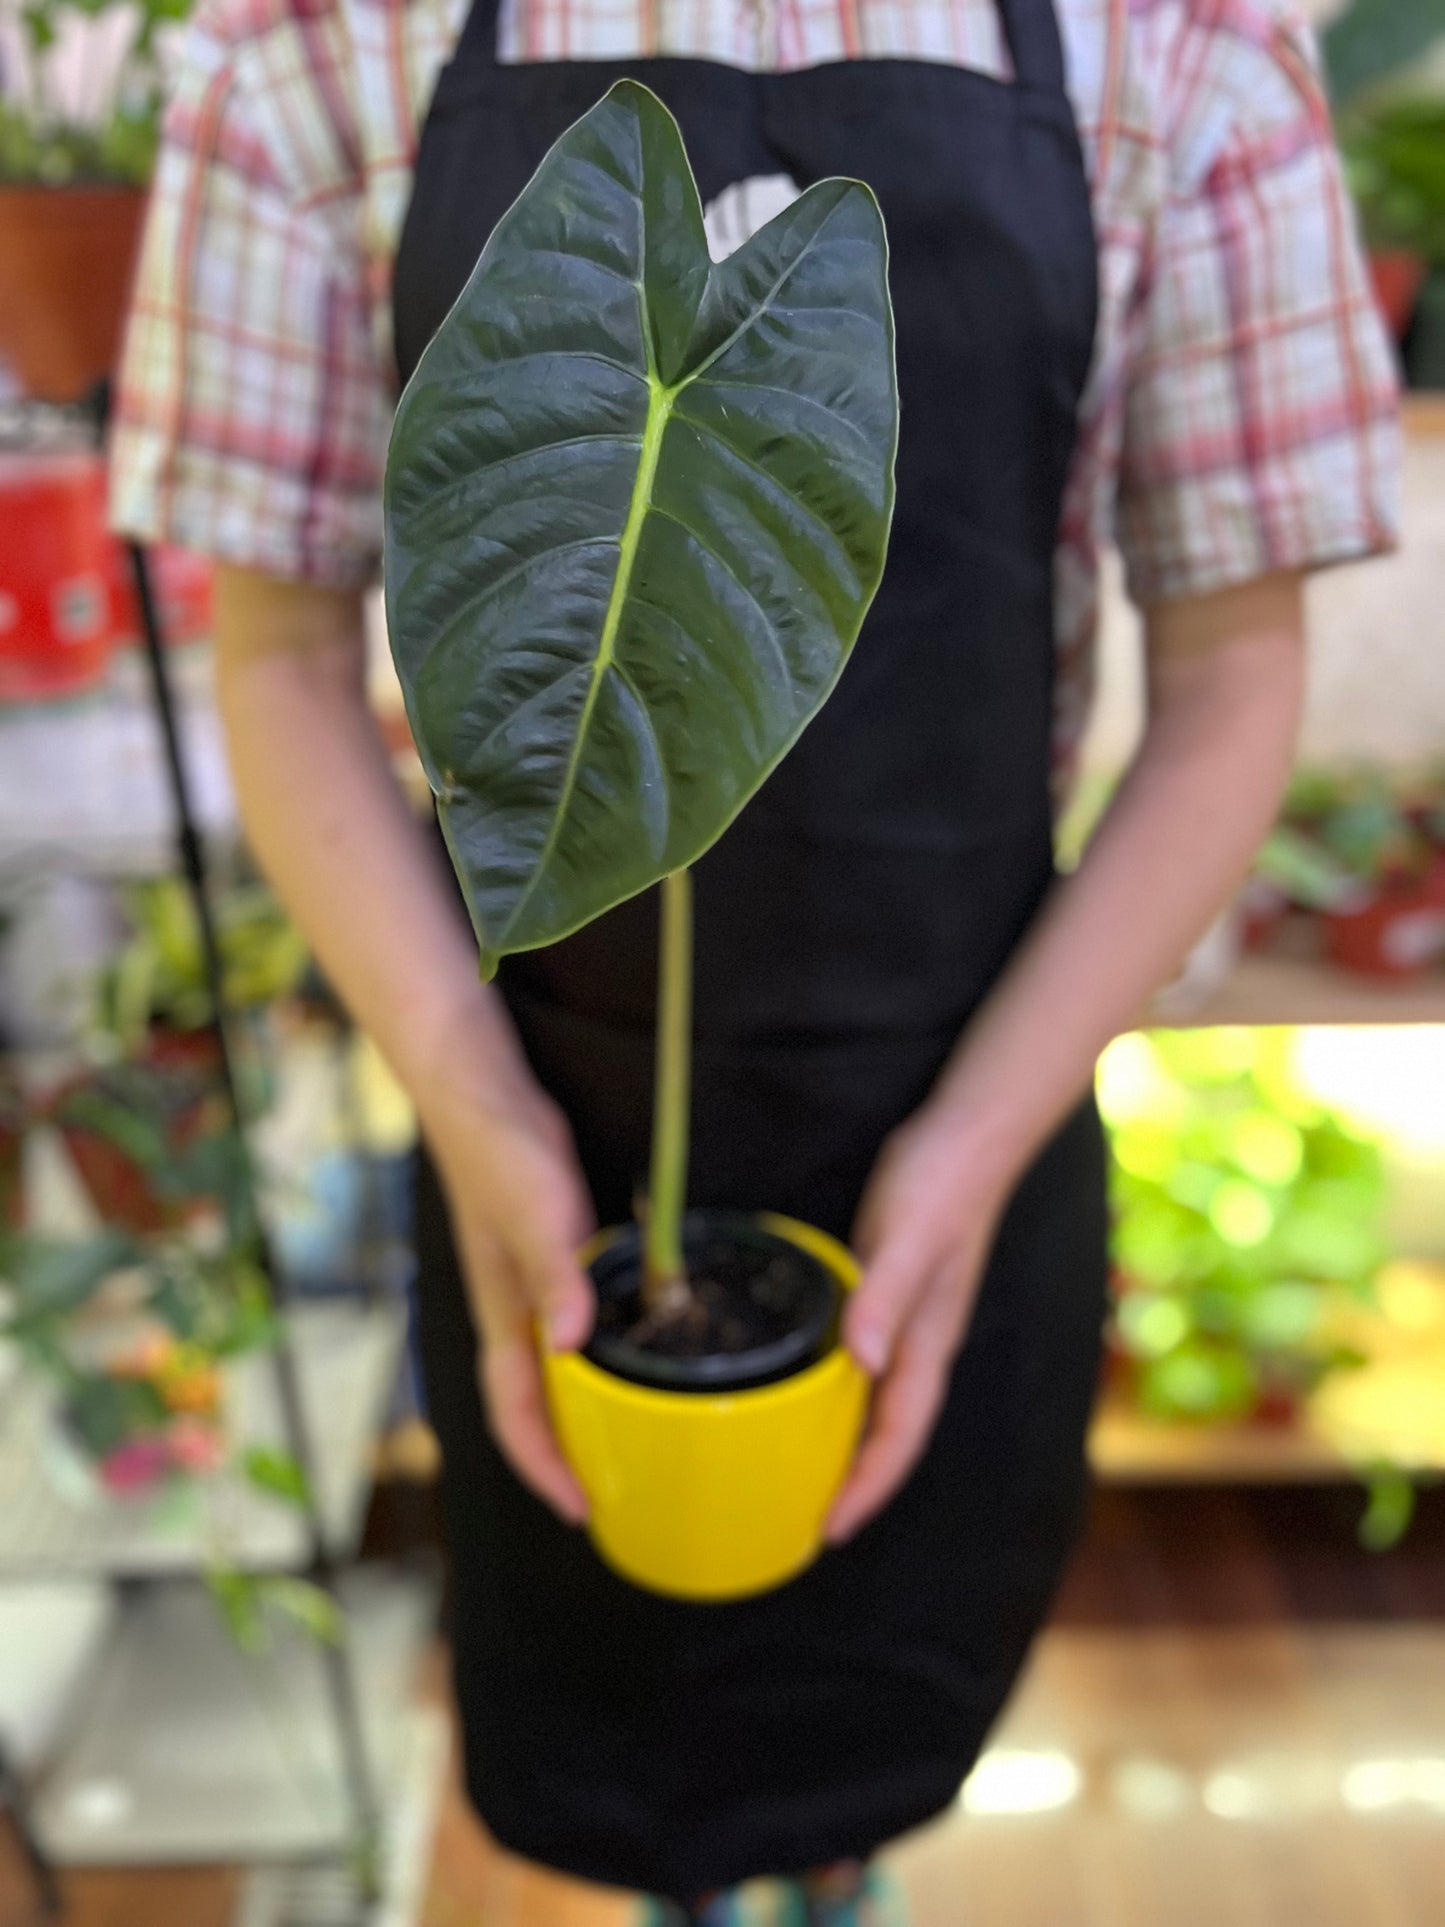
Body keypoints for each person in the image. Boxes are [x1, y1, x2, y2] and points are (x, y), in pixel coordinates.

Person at [111, 0, 1398, 1919]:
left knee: (877, 1730)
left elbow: (1232, 682)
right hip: (535, 1124)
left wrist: (966, 1161)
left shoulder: (1181, 53)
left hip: (968, 1092)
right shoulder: (312, 46)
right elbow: (278, 656)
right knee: (603, 1732)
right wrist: (477, 1126)